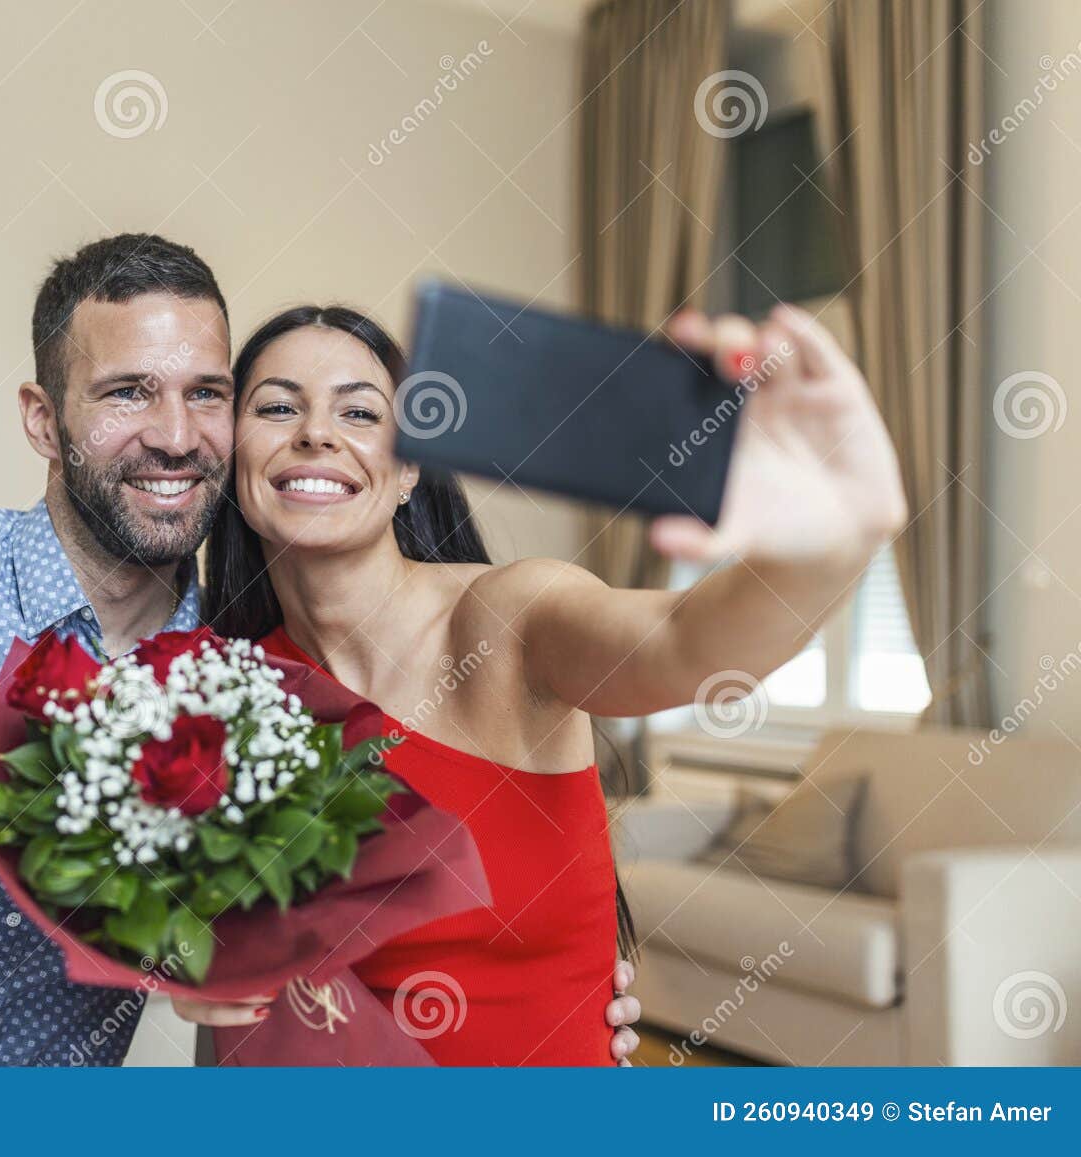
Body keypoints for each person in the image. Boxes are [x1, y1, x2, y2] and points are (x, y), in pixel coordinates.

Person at [0, 233, 643, 1066]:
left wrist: (570, 992)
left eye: (207, 393)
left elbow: (346, 926)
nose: (174, 434)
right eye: (126, 392)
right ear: (44, 419)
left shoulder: (252, 680)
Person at [202, 303, 906, 1064]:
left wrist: (827, 548)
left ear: (409, 467)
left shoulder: (508, 621)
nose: (315, 432)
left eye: (360, 411)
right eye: (277, 406)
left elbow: (684, 644)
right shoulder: (220, 694)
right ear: (232, 455)